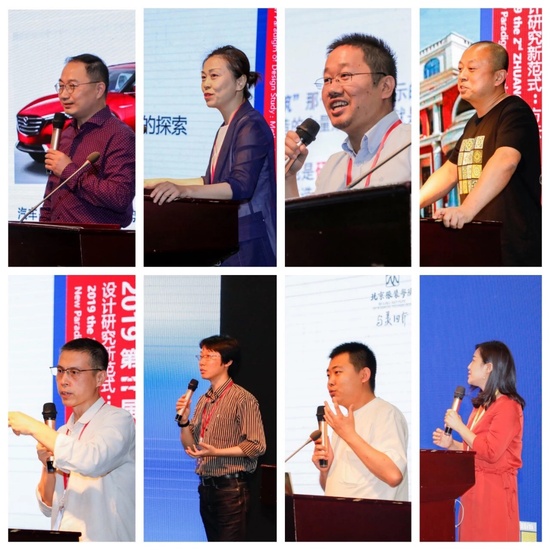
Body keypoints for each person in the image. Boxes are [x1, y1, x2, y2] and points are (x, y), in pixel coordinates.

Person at [146, 45, 276, 266]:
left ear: (240, 82)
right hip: (229, 235)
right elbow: (212, 182)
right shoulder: (227, 126)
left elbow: (240, 186)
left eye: (214, 76)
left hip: (250, 241)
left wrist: (184, 191)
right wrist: (159, 182)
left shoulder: (251, 124)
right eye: (203, 77)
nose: (206, 84)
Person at [419, 41, 541, 266]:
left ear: (498, 77)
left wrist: (466, 210)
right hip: (480, 244)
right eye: (460, 69)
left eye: (472, 69)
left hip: (513, 249)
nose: (462, 76)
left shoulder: (514, 111)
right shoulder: (472, 124)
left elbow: (505, 161)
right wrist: (413, 203)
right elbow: (450, 171)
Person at [7, 338, 135, 541]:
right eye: (60, 371)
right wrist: (48, 466)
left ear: (100, 377)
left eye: (74, 372)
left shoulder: (119, 420)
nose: (63, 380)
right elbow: (48, 505)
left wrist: (34, 427)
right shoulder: (62, 432)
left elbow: (92, 461)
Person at [285, 33, 411, 198]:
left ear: (385, 87)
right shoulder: (332, 169)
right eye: (327, 80)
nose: (332, 89)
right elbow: (304, 216)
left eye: (345, 76)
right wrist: (288, 177)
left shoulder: (410, 145)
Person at [175, 335, 266, 541]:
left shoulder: (243, 399)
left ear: (228, 362)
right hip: (206, 488)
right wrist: (184, 422)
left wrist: (217, 452)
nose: (202, 362)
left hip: (231, 489)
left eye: (209, 356)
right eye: (201, 356)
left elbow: (257, 445)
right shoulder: (203, 400)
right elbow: (191, 447)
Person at [433, 341, 524, 541]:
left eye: (474, 360)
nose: (468, 366)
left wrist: (460, 427)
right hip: (472, 492)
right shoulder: (481, 407)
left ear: (488, 367)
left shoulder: (508, 406)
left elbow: (491, 452)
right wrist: (452, 444)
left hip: (493, 493)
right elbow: (475, 450)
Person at [39, 53, 135, 227]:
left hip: (95, 240)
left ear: (99, 89)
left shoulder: (120, 136)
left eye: (72, 86)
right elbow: (51, 194)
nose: (63, 95)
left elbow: (120, 196)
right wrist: (42, 230)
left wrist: (69, 171)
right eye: (61, 86)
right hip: (54, 237)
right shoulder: (65, 133)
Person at [313, 342, 408, 500]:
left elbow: (393, 475)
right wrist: (325, 471)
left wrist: (349, 435)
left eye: (337, 373)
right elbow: (330, 488)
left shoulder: (386, 414)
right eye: (328, 375)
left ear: (364, 375)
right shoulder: (343, 423)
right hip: (337, 514)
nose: (330, 382)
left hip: (374, 516)